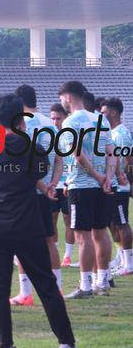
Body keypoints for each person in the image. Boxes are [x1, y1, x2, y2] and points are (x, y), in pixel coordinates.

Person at [0, 93, 82, 348]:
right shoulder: (31, 147)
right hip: (26, 225)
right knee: (46, 286)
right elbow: (37, 174)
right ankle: (66, 346)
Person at [59, 81, 116, 299]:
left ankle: (85, 285)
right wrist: (108, 178)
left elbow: (78, 156)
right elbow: (111, 152)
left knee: (83, 237)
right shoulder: (100, 119)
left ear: (69, 97)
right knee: (100, 232)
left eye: (62, 98)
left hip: (82, 185)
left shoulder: (70, 123)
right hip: (103, 186)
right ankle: (103, 280)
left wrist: (97, 176)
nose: (62, 102)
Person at [10, 85, 64, 306]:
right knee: (49, 240)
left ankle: (25, 292)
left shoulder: (23, 124)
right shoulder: (50, 125)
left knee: (22, 243)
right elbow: (60, 158)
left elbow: (24, 163)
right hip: (48, 190)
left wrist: (41, 185)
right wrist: (52, 184)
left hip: (28, 191)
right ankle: (58, 288)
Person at [101, 97, 133, 276]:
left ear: (113, 113)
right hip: (113, 185)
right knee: (113, 223)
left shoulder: (121, 134)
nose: (102, 115)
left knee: (122, 223)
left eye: (104, 112)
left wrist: (128, 181)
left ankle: (129, 262)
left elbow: (129, 161)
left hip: (121, 186)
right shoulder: (111, 133)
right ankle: (121, 258)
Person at [49, 103, 77, 268]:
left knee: (68, 220)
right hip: (53, 183)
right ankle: (54, 252)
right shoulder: (48, 135)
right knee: (51, 219)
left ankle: (67, 255)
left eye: (58, 118)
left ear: (65, 118)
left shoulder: (70, 135)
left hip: (68, 183)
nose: (55, 122)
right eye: (52, 118)